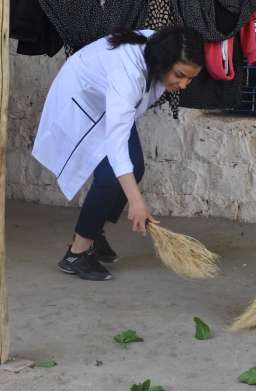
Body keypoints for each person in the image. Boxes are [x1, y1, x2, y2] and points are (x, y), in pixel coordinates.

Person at [32, 26, 205, 281]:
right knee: (112, 176)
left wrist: (133, 194)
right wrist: (135, 201)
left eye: (190, 79)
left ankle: (94, 233)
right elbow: (115, 145)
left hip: (109, 102)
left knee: (135, 167)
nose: (183, 85)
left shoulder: (157, 49)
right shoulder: (129, 73)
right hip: (82, 98)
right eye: (180, 75)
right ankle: (76, 254)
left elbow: (121, 123)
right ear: (164, 61)